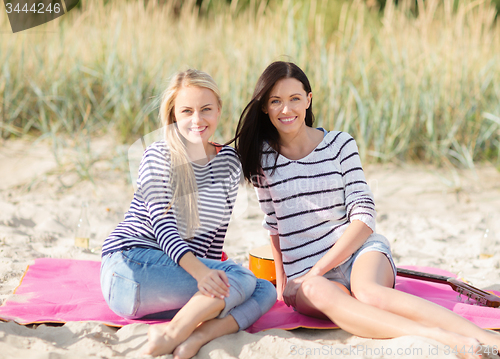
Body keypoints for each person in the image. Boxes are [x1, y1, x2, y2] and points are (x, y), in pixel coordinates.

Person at [233, 61, 500, 359]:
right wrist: (284, 283)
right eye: (276, 101)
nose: (286, 109)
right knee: (322, 292)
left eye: (295, 98)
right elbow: (274, 224)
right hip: (309, 275)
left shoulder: (339, 144)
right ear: (265, 108)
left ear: (308, 99)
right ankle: (440, 337)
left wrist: (318, 269)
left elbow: (364, 217)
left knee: (369, 293)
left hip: (359, 252)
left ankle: (483, 337)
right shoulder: (261, 160)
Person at [100, 69, 276, 359]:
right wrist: (206, 273)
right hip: (129, 266)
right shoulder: (158, 154)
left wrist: (213, 272)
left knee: (262, 289)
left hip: (163, 288)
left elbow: (214, 239)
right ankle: (171, 333)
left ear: (219, 109)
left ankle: (196, 337)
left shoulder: (228, 162)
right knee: (237, 277)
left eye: (206, 109)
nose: (197, 119)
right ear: (173, 116)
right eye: (187, 111)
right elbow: (163, 228)